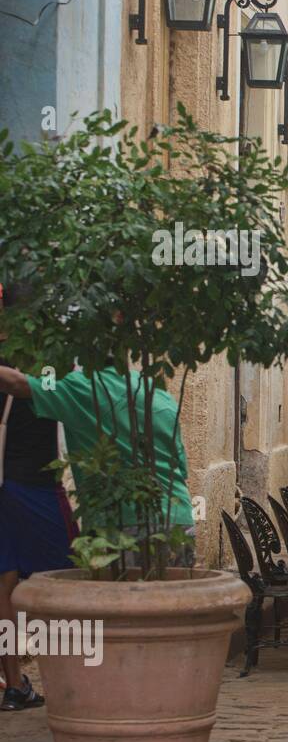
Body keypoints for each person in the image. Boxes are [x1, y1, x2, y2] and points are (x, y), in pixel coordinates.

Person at [0, 366, 195, 563]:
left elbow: (18, 383)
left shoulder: (80, 387)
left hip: (124, 524)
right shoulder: (157, 391)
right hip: (179, 519)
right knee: (175, 592)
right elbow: (180, 466)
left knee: (124, 593)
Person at [0, 286, 72, 710]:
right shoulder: (43, 359)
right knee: (67, 584)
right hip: (32, 486)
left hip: (6, 486)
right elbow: (55, 398)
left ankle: (15, 685)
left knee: (5, 590)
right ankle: (75, 683)